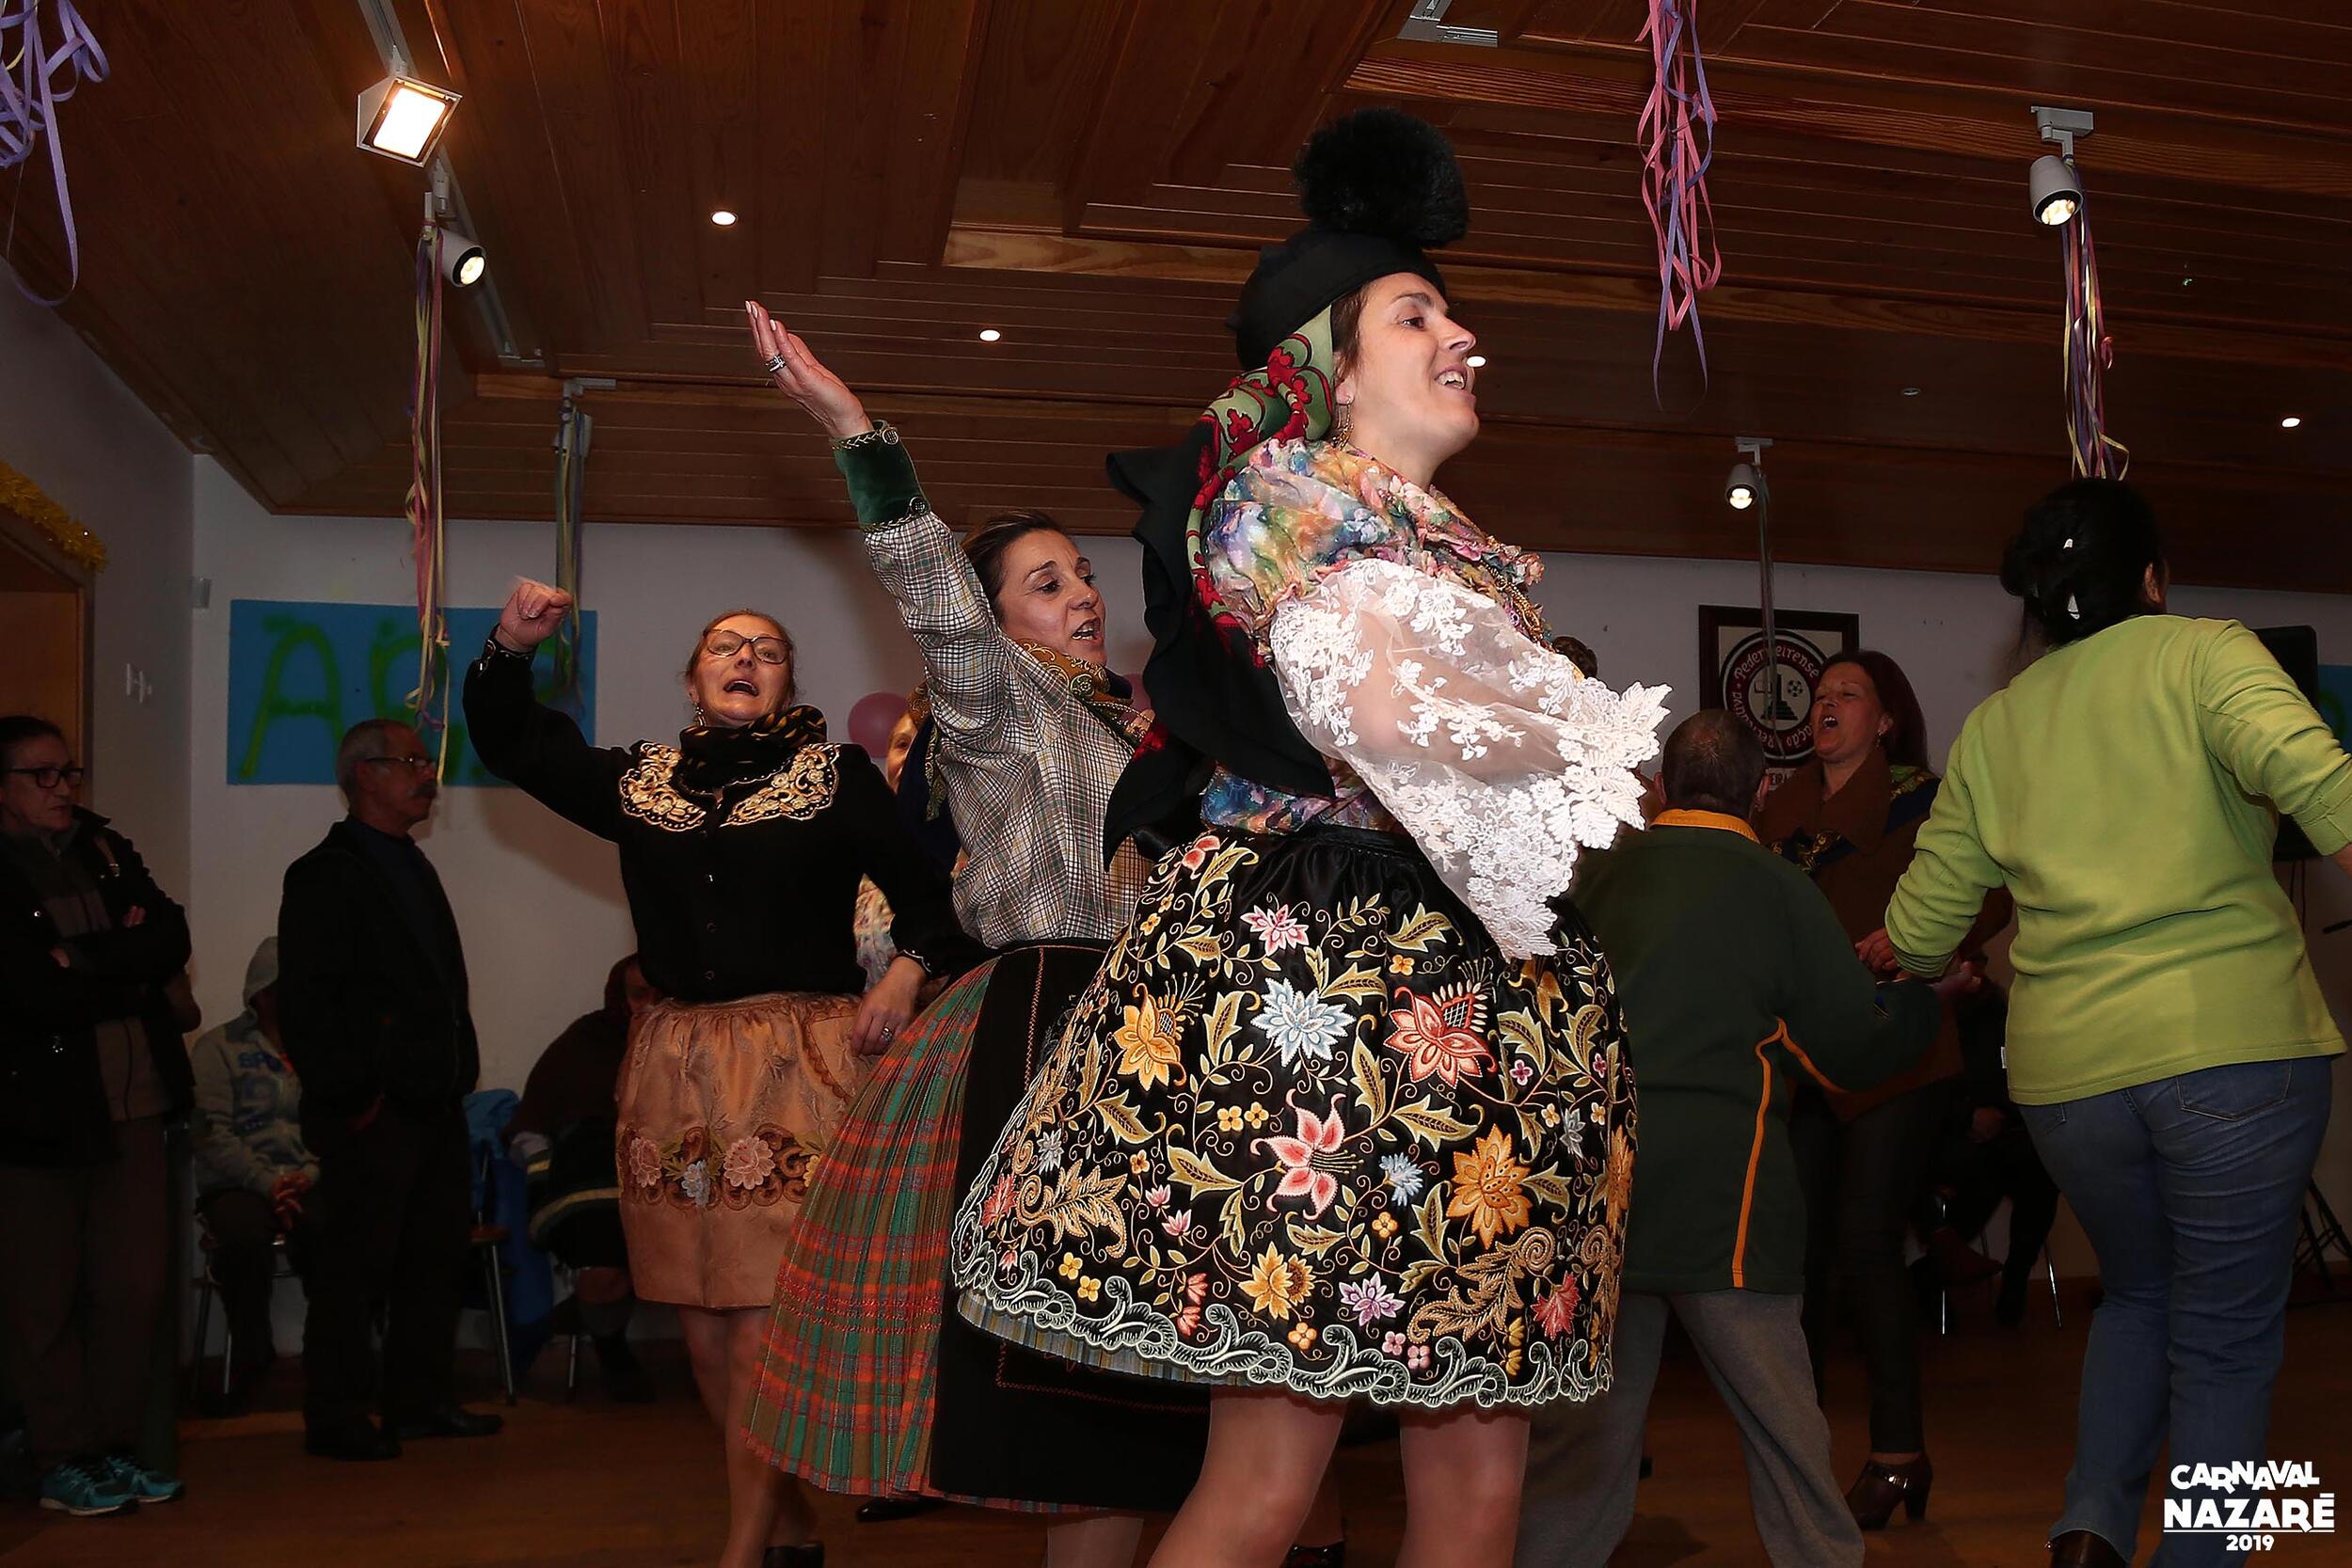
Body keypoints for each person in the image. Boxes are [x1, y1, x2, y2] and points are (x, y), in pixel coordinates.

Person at [947, 109, 1667, 1568]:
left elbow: (1484, 754)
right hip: (1326, 1000)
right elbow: (1388, 714)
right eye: (1421, 313)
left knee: (1477, 1488)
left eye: (1457, 313)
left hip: (1477, 1016)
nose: (1464, 337)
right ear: (1327, 369)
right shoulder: (1288, 508)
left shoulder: (1444, 543)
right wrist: (1572, 730)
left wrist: (1554, 734)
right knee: (1270, 1480)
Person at [739, 322, 1236, 1568]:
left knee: (1140, 1396)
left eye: (1083, 573)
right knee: (1077, 1395)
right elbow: (935, 599)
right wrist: (858, 437)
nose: (1082, 595)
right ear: (1000, 620)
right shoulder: (997, 705)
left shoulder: (1136, 735)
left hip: (1151, 1044)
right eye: (1048, 580)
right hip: (1050, 1034)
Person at [1886, 477, 2348, 1568]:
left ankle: (2088, 1526)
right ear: (2152, 579)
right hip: (2234, 1050)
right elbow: (2325, 792)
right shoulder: (2204, 654)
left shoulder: (1998, 723)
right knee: (2229, 1338)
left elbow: (1918, 928)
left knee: (2139, 1294)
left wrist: (1907, 954)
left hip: (2069, 1079)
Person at [465, 592, 973, 1568]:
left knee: (756, 1328)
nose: (747, 657)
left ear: (788, 678)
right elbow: (514, 743)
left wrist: (908, 972)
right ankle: (785, 1524)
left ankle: (742, 1547)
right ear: (693, 676)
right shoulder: (638, 780)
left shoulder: (836, 776)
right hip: (673, 1068)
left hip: (793, 1064)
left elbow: (934, 897)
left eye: (770, 649)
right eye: (726, 646)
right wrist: (508, 649)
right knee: (698, 1331)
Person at [1517, 711, 1960, 1568]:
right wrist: (1920, 999)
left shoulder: (1593, 874)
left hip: (1603, 1189)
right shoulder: (1777, 884)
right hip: (1730, 1195)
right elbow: (1853, 1045)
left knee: (1583, 1440)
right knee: (1785, 1430)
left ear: (1658, 787)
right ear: (1761, 792)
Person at [1756, 648, 2008, 1527]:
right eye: (1820, 695)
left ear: (1886, 717)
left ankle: (1899, 1452)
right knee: (1807, 1256)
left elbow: (1989, 891)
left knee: (1868, 1237)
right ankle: (1804, 1456)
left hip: (1900, 1048)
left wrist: (1919, 945)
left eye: (1846, 694)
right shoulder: (1776, 806)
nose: (1825, 705)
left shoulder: (1927, 800)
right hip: (1806, 1055)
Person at [276, 720, 503, 1462]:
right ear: (362, 775)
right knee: (354, 1266)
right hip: (375, 1107)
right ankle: (337, 1415)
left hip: (434, 1102)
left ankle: (418, 1400)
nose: (425, 773)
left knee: (433, 1258)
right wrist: (355, 1095)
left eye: (423, 759)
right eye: (408, 760)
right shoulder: (325, 872)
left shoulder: (411, 863)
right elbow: (307, 1002)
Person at [0, 716, 192, 1516]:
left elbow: (169, 935)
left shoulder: (105, 848)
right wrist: (124, 964)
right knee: (42, 1296)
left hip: (137, 1103)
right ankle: (63, 1455)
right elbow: (27, 994)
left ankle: (115, 1446)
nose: (62, 789)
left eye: (68, 773)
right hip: (38, 1112)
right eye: (41, 776)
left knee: (134, 1287)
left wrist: (83, 961)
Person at [508, 955, 660, 1404]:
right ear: (620, 996)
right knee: (603, 1264)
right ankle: (609, 1345)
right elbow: (533, 1119)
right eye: (638, 995)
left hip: (664, 1168)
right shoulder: (588, 1039)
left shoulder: (692, 1037)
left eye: (659, 995)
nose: (648, 1006)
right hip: (591, 1170)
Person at [188, 936, 320, 1405]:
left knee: (337, 1227)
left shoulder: (322, 1050)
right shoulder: (217, 1049)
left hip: (308, 1178)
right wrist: (269, 1183)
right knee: (242, 1239)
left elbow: (335, 1128)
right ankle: (250, 1356)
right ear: (264, 994)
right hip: (236, 1184)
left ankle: (332, 1359)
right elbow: (210, 1136)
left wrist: (305, 1176)